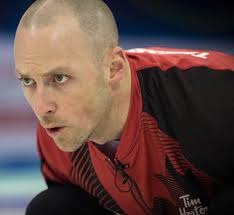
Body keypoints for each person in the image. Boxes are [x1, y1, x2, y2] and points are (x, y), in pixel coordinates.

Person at [13, 0, 234, 214]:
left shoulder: (214, 95)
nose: (42, 108)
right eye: (27, 81)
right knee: (52, 207)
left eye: (59, 78)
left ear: (113, 68)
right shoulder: (56, 136)